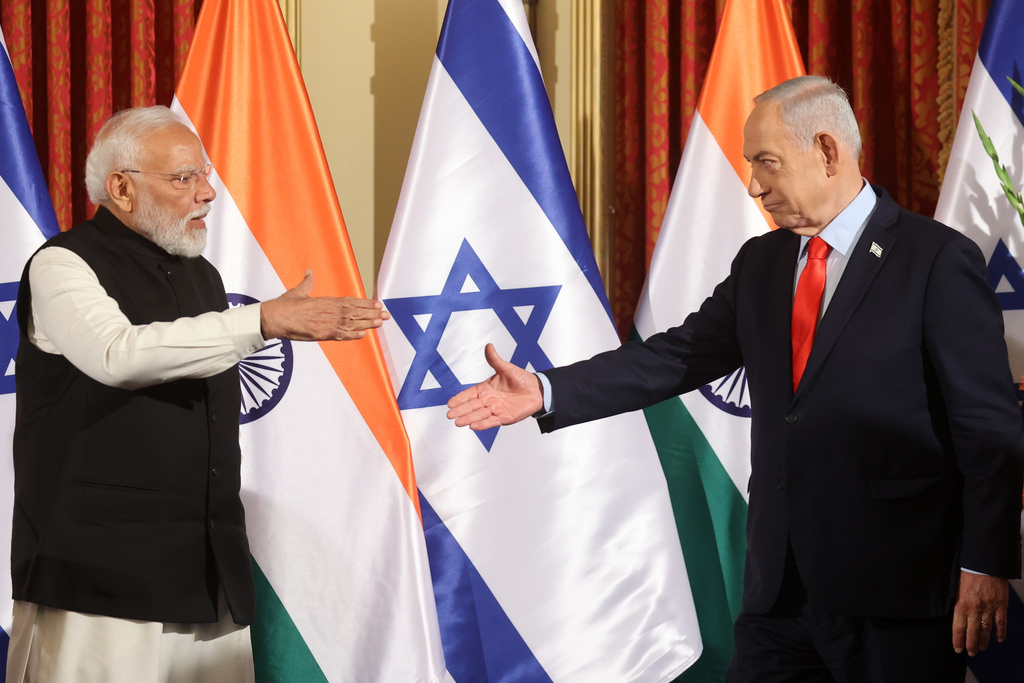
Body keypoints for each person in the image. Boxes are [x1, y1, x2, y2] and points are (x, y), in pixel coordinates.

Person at [447, 75, 1024, 682]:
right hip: (778, 593)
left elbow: (987, 429)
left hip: (894, 591)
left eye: (767, 163)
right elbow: (679, 355)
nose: (754, 186)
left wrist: (985, 563)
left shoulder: (935, 261)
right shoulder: (763, 262)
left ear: (827, 151)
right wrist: (547, 390)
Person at [8, 106, 389, 682]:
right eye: (184, 178)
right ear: (121, 187)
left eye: (205, 175)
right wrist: (262, 322)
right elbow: (118, 356)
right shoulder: (62, 263)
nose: (207, 193)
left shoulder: (202, 276)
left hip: (206, 575)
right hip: (99, 578)